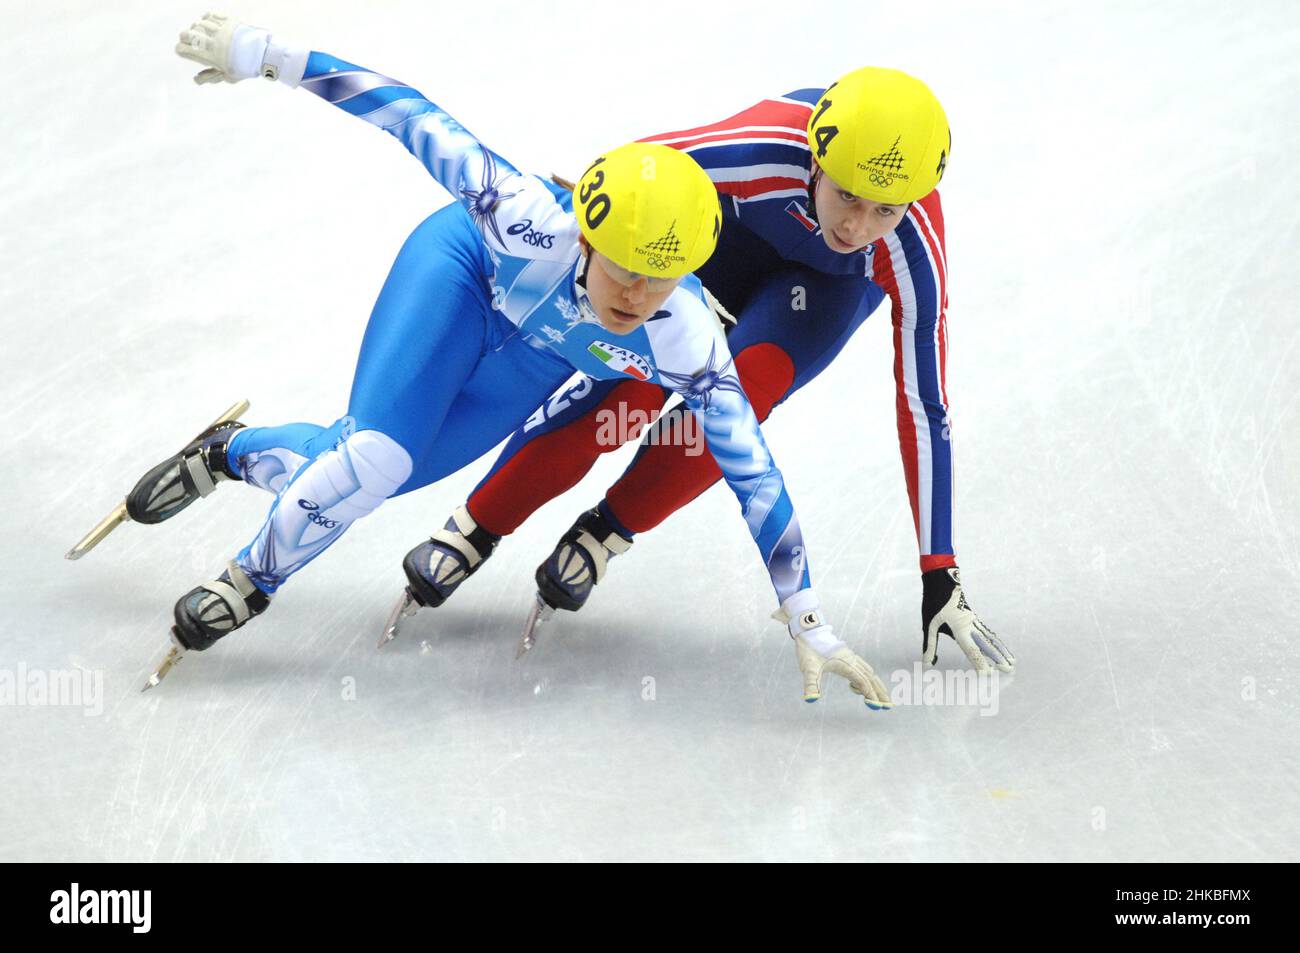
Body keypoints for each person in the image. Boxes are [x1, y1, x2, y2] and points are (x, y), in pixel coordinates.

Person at [127, 13, 892, 706]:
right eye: (624, 265)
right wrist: (265, 55)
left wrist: (807, 613)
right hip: (460, 281)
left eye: (661, 279)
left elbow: (754, 473)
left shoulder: (683, 334)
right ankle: (247, 581)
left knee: (361, 478)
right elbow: (405, 112)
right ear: (585, 239)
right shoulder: (520, 213)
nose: (636, 293)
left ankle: (227, 452)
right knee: (371, 460)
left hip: (536, 357)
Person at [376, 61, 1016, 673]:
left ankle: (607, 531)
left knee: (745, 392)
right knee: (625, 388)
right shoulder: (761, 148)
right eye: (848, 195)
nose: (857, 225)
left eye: (886, 209)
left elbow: (923, 403)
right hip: (725, 246)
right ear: (816, 160)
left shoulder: (911, 249)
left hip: (826, 294)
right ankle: (478, 525)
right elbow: (628, 178)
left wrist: (940, 568)